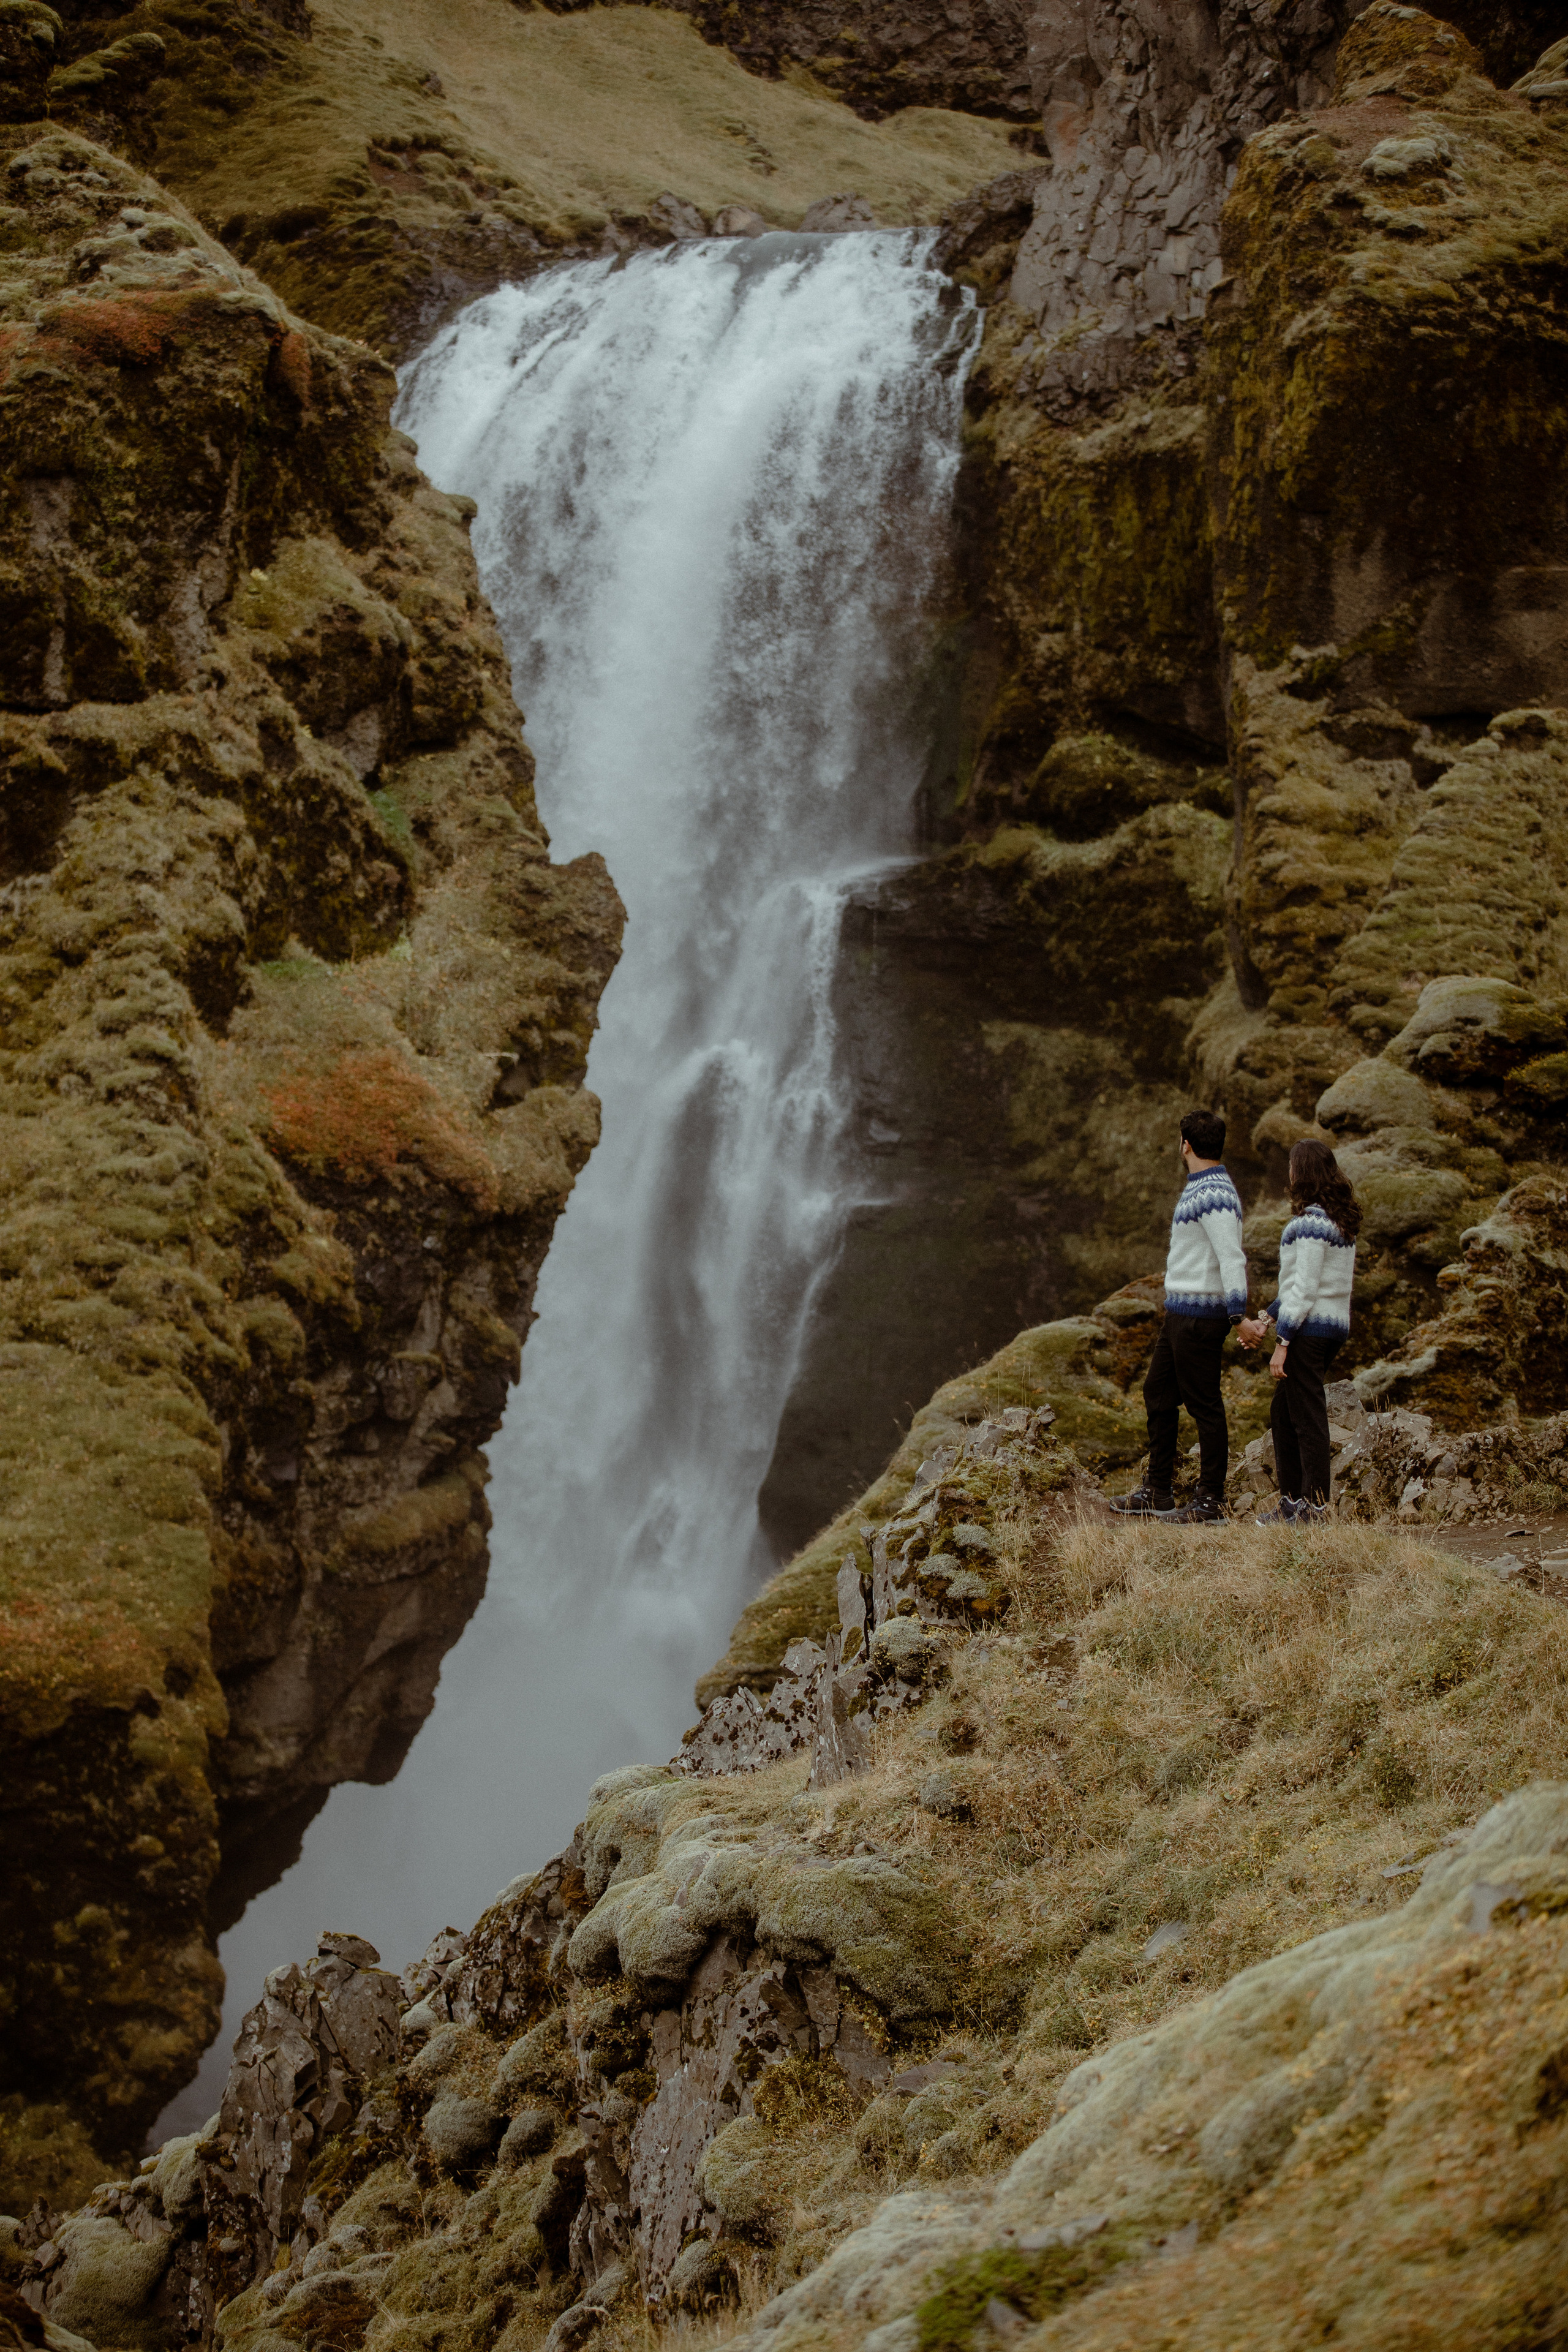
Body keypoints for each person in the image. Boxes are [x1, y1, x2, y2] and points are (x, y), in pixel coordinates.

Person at [1111, 1108, 1250, 1525]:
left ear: (1185, 1144)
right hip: (1180, 1313)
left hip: (1201, 1316)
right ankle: (1159, 1492)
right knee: (1157, 1393)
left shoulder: (1216, 1194)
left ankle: (1210, 1500)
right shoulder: (1201, 1188)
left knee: (1204, 1404)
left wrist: (1238, 1313)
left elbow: (1231, 1256)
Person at [1237, 1137, 1360, 1525]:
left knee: (1306, 1417)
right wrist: (1266, 1318)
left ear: (1299, 1172)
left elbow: (1304, 1291)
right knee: (1284, 1411)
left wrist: (1282, 1342)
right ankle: (1293, 1502)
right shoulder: (1337, 1221)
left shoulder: (1309, 1224)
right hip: (1331, 1327)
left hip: (1308, 1331)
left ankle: (1314, 1507)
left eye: (1292, 1166)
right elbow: (1298, 1289)